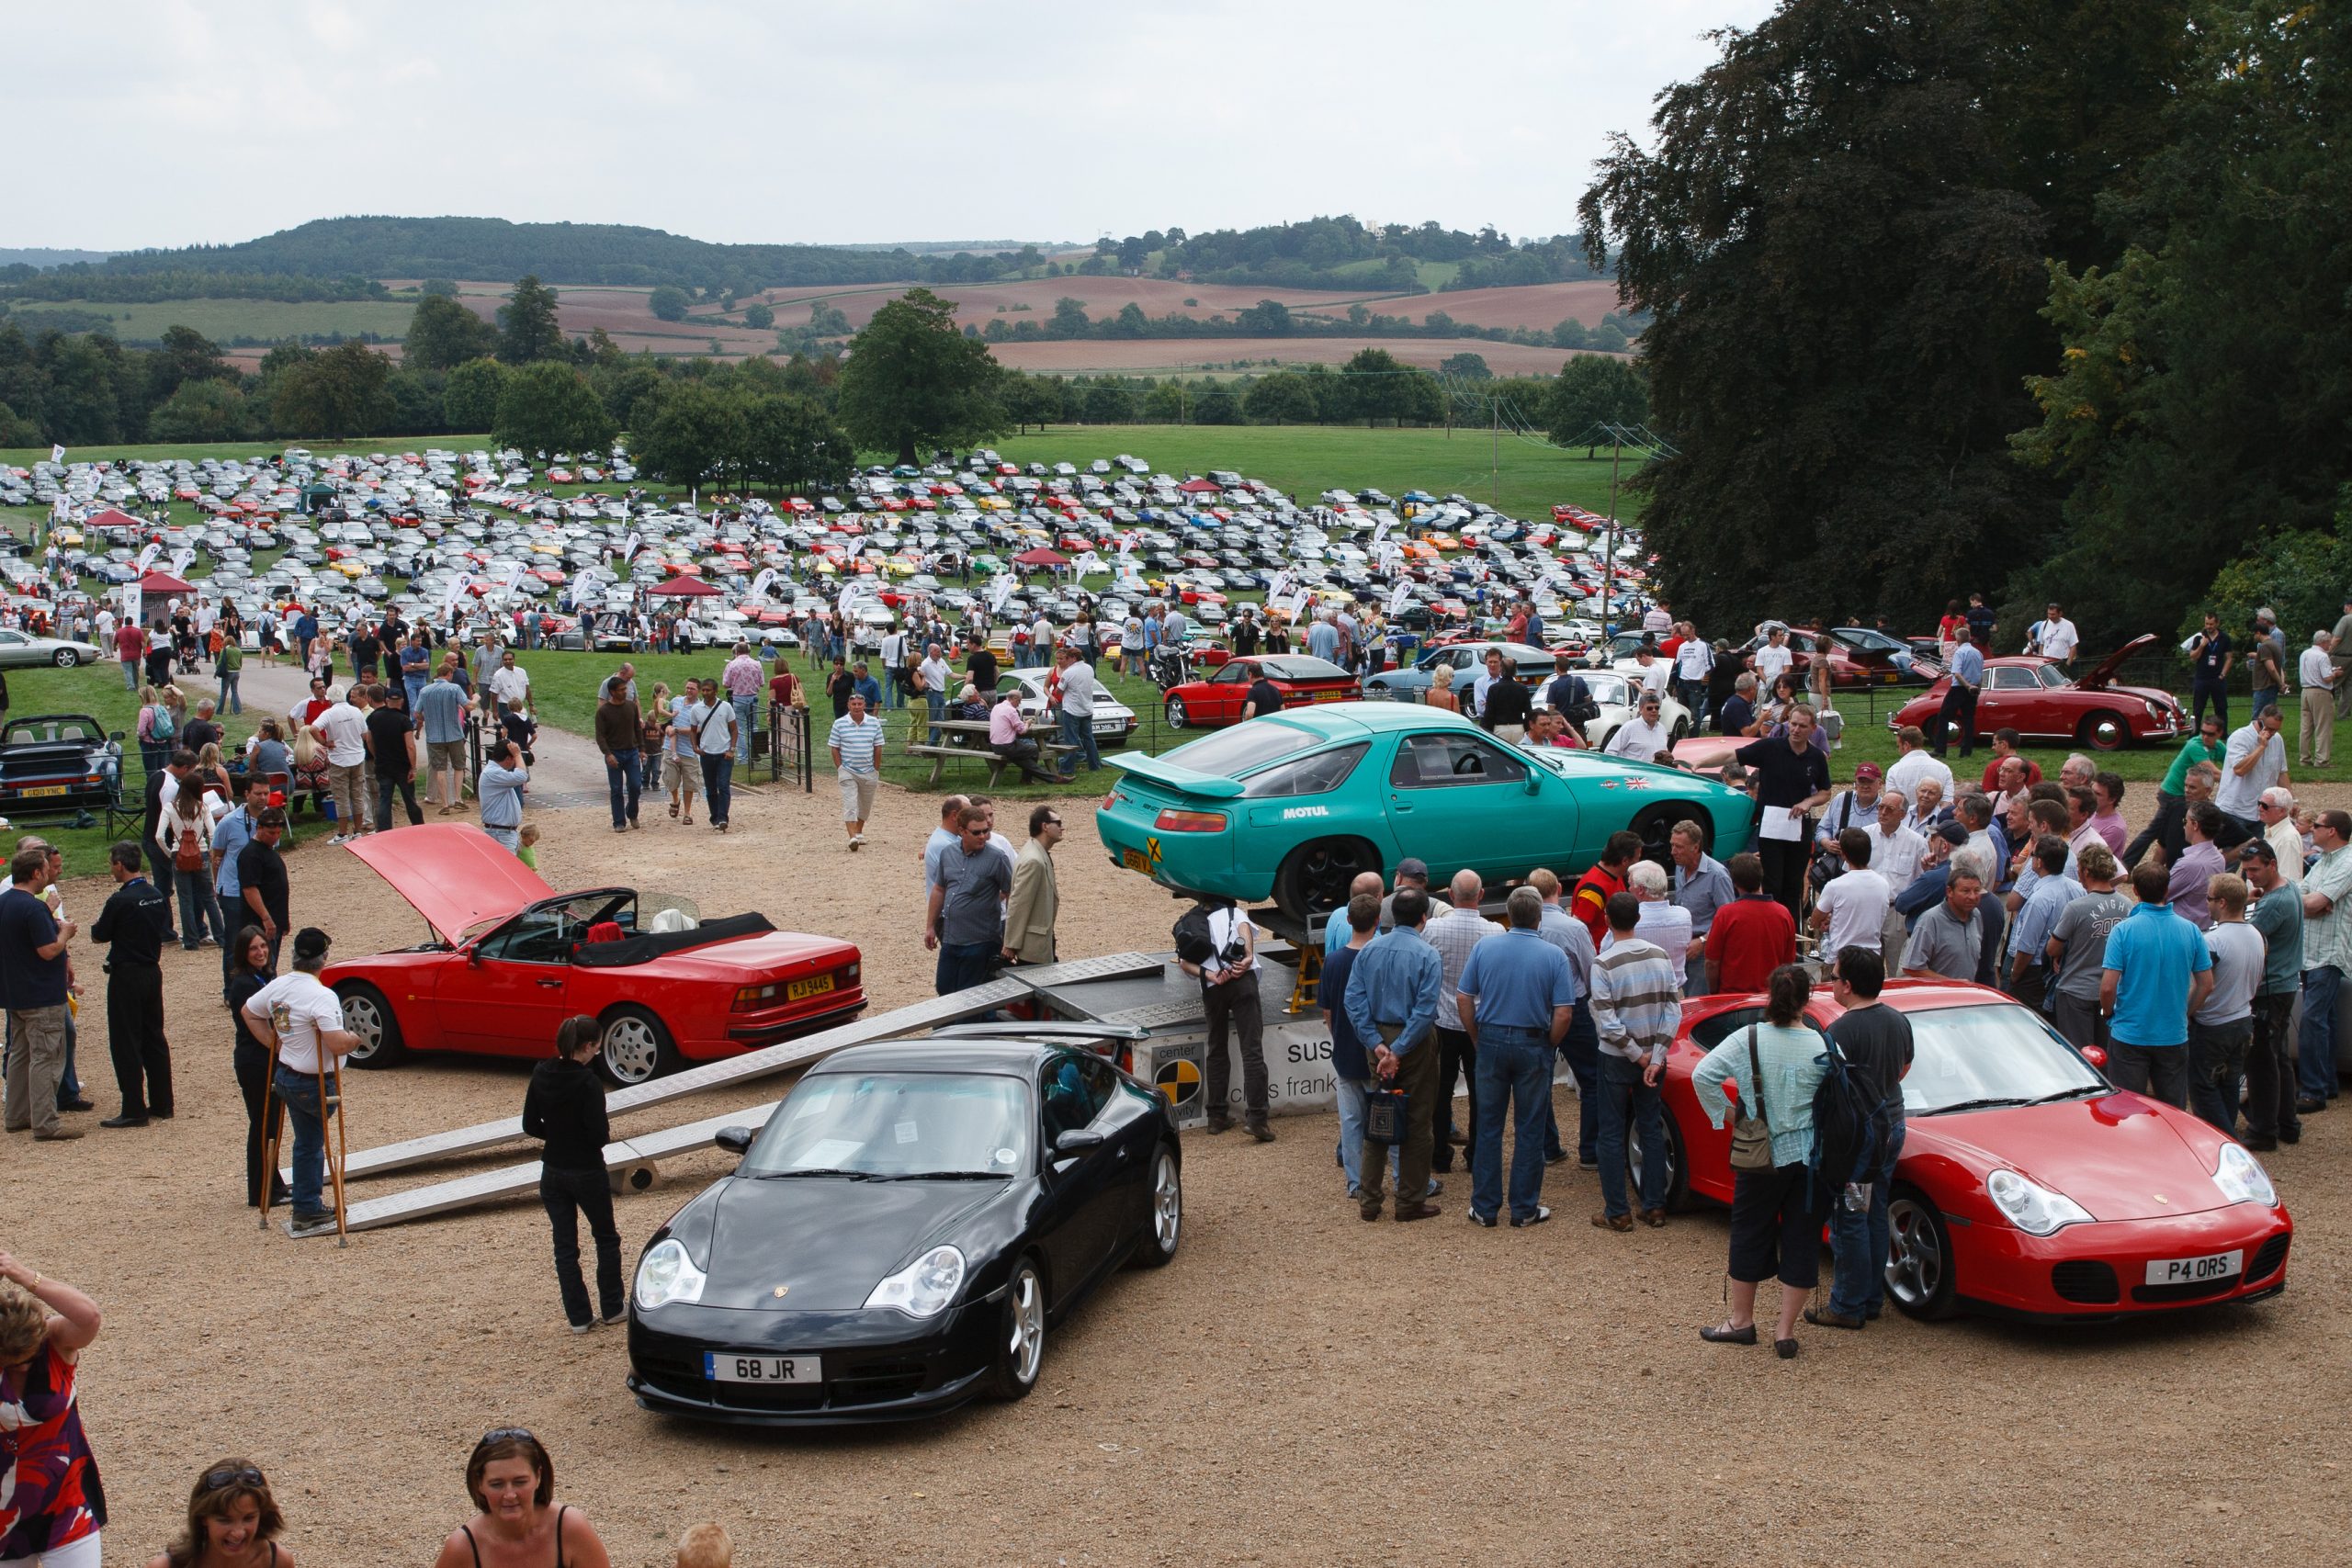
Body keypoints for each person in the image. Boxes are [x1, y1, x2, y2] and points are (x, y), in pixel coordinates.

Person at [1694, 964, 1828, 1357]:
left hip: (1759, 1154)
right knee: (1803, 1237)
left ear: (1770, 997)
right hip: (1809, 1156)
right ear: (1807, 1001)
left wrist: (1730, 1116)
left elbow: (1704, 1075)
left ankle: (1741, 1321)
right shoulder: (1821, 1046)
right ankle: (1784, 1332)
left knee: (1750, 1229)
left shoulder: (1747, 1038)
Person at [1454, 887, 1575, 1229]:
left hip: (1491, 1039)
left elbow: (1464, 997)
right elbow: (1563, 1013)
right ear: (1539, 917)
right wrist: (1547, 1044)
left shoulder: (1485, 947)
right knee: (1530, 1127)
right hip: (1532, 1042)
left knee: (1489, 1126)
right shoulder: (1553, 955)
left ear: (1509, 914)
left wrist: (1477, 1036)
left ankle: (1485, 1207)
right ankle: (1523, 1208)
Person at [1808, 946, 1913, 1331]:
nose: (1831, 983)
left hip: (1858, 1137)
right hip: (1893, 1123)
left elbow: (1828, 1084)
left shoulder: (1840, 1030)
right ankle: (1870, 1298)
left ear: (1848, 985)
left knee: (1850, 1215)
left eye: (1833, 977)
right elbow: (1904, 1067)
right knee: (1875, 1208)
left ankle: (1848, 1303)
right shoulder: (1898, 1020)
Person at [243, 927, 356, 1236]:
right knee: (311, 1144)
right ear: (324, 959)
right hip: (313, 1081)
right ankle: (307, 1207)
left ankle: (306, 1204)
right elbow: (335, 1043)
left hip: (286, 1076)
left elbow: (249, 1012)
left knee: (305, 1141)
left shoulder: (279, 986)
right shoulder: (321, 995)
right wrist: (353, 1038)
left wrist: (274, 1043)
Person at [1345, 886, 1445, 1222]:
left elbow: (1353, 1001)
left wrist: (1377, 1044)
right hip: (1412, 1042)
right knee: (1418, 1122)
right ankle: (1410, 1200)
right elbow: (1426, 1010)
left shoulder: (1369, 951)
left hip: (1378, 1039)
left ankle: (1369, 1201)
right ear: (1423, 918)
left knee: (1379, 1120)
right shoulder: (1427, 954)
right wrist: (1399, 1050)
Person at [0, 1253, 107, 1563]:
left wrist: (23, 1275)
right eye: (10, 1364)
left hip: (66, 1503)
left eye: (27, 1362)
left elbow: (89, 1317)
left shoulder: (56, 1341)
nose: (21, 1370)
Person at [525, 1016, 626, 1334]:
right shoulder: (588, 1082)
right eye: (597, 1047)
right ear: (587, 1046)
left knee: (565, 1246)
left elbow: (530, 1124)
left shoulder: (541, 1072)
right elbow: (599, 1135)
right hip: (586, 1169)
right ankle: (612, 1307)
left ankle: (579, 1317)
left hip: (552, 1168)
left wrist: (556, 1134)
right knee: (605, 1238)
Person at [1588, 890, 1680, 1232]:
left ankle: (1618, 1210)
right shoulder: (1660, 956)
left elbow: (1606, 1019)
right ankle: (1654, 1206)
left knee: (1611, 1132)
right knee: (1651, 1126)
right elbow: (1673, 1008)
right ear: (1638, 919)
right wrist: (1655, 1056)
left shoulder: (1603, 963)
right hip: (1653, 1057)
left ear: (1608, 921)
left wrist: (1636, 1054)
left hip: (1618, 1056)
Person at [2099, 862, 2214, 1109]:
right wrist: (2185, 1012)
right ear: (2167, 890)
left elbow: (2108, 987)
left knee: (2126, 1108)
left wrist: (2109, 1013)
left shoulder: (2123, 931)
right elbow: (2206, 984)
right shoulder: (2191, 931)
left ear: (2137, 892)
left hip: (2130, 1033)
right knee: (2173, 1110)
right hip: (2172, 1034)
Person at [431, 1429, 612, 1568]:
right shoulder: (463, 1547)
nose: (510, 1495)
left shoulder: (569, 1528)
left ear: (538, 1477)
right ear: (480, 1484)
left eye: (520, 1482)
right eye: (496, 1484)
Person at [91, 840, 173, 1128]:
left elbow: (100, 935)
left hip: (127, 974)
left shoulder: (120, 900)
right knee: (154, 1037)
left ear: (119, 864)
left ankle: (134, 1107)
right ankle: (163, 1102)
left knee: (126, 1041)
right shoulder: (155, 894)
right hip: (152, 970)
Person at [2, 846, 81, 1142]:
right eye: (47, 869)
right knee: (45, 1057)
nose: (50, 873)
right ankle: (46, 1123)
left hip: (15, 994)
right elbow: (48, 951)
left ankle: (16, 1115)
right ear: (36, 873)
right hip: (41, 996)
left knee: (19, 1056)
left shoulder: (4, 902)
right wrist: (65, 933)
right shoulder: (33, 907)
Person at [1179, 897, 1272, 1141]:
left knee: (1216, 1049)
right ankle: (1257, 1119)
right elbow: (1245, 933)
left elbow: (1184, 962)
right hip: (1243, 983)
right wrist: (1248, 957)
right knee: (1252, 1050)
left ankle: (1216, 1116)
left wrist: (1209, 974)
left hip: (1212, 986)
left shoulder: (1190, 921)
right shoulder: (1234, 913)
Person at [1736, 705, 1832, 919]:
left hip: (1798, 827)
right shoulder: (1771, 747)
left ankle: (1792, 938)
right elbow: (1733, 755)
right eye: (1793, 724)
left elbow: (1826, 792)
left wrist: (1809, 801)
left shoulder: (1816, 757)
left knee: (1794, 885)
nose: (1796, 730)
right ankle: (1771, 928)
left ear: (1813, 728)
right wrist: (1700, 762)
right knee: (1772, 884)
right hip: (1771, 825)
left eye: (1802, 726)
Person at [2239, 839, 2305, 1149]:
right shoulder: (2288, 888)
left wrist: (2237, 905)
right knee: (2277, 1057)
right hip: (2284, 984)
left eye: (2254, 870)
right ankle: (2287, 1123)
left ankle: (2264, 1130)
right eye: (2247, 870)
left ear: (2272, 865)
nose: (2250, 875)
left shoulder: (2274, 903)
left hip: (2270, 989)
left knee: (2261, 1062)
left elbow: (2244, 935)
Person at [2188, 874, 2263, 1134]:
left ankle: (2225, 1140)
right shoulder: (2256, 935)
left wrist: (2186, 1012)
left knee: (2202, 1087)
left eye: (2208, 898)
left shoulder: (2214, 941)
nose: (2206, 904)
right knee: (2229, 1085)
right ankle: (2227, 1138)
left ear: (2221, 902)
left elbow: (2202, 984)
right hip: (2242, 1020)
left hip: (2213, 1025)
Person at [224, 926, 285, 1210]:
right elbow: (259, 1026)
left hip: (266, 1056)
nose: (260, 952)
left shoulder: (266, 976)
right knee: (263, 1125)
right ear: (243, 953)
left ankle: (273, 1182)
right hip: (256, 1060)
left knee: (271, 1124)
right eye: (253, 949)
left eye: (263, 946)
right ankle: (260, 1189)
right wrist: (283, 1049)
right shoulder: (244, 984)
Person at [2298, 807, 2352, 1111]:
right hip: (2311, 951)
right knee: (2325, 1019)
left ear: (2332, 831)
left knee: (2313, 1020)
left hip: (2329, 953)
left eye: (2316, 826)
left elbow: (2318, 900)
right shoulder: (2325, 861)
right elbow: (2303, 894)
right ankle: (2327, 1083)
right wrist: (2310, 903)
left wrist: (2313, 902)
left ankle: (2313, 1091)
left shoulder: (2348, 862)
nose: (2310, 830)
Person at [926, 805, 1012, 998]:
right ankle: (949, 1026)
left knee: (969, 994)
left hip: (981, 940)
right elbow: (939, 889)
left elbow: (1010, 891)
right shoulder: (948, 853)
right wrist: (930, 926)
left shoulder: (997, 858)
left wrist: (985, 903)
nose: (983, 836)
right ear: (962, 831)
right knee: (944, 988)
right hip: (950, 938)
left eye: (985, 831)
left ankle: (965, 1027)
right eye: (976, 832)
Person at [150, 1458, 295, 1568]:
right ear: (203, 1518)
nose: (238, 1533)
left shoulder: (278, 1562)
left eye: (248, 1518)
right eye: (225, 1520)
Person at [1703, 852, 1796, 995]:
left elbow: (1712, 962)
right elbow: (1788, 964)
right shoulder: (1783, 914)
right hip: (1770, 998)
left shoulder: (1726, 914)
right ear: (1761, 877)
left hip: (1732, 1001)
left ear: (1734, 882)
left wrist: (1714, 992)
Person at [157, 782, 226, 951]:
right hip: (200, 853)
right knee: (209, 897)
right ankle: (221, 937)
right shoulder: (202, 807)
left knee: (185, 899)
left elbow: (159, 836)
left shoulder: (170, 807)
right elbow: (213, 832)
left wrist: (170, 853)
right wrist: (210, 851)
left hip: (178, 854)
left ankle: (190, 940)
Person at [1668, 821, 1734, 995]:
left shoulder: (1717, 875)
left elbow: (1728, 917)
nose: (1673, 851)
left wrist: (1703, 941)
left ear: (1695, 847)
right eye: (1672, 845)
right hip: (1683, 946)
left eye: (1679, 847)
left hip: (1704, 950)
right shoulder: (1680, 867)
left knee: (1700, 1003)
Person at [1812, 826, 1891, 960]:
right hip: (1871, 957)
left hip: (1841, 958)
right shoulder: (1883, 884)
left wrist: (1826, 920)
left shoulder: (1835, 886)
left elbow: (1815, 920)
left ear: (1843, 854)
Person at [1904, 855, 1986, 982]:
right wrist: (1952, 984)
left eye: (1976, 891)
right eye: (1965, 891)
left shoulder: (1976, 916)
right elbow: (1912, 967)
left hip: (1966, 998)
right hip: (1938, 998)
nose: (1972, 896)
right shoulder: (1930, 920)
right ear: (1949, 892)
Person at [1002, 805, 1062, 965]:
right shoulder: (1034, 860)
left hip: (1038, 942)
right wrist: (1010, 944)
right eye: (1058, 823)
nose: (1062, 828)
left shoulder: (1034, 850)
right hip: (1032, 949)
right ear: (1045, 826)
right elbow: (1019, 903)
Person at [829, 691, 885, 850]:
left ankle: (859, 830)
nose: (857, 707)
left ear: (864, 705)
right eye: (853, 704)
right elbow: (834, 748)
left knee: (865, 805)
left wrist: (876, 769)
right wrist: (840, 767)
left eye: (859, 704)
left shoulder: (874, 723)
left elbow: (878, 747)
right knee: (850, 803)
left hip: (868, 770)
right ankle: (852, 837)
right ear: (848, 706)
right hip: (848, 770)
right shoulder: (839, 723)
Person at [413, 661, 470, 817]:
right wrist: (476, 698)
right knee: (459, 766)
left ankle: (444, 803)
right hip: (454, 734)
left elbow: (417, 714)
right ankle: (458, 798)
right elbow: (468, 706)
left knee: (440, 769)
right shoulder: (454, 688)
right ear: (449, 674)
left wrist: (427, 718)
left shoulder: (425, 691)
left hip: (434, 736)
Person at [235, 809, 289, 970]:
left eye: (279, 832)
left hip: (274, 919)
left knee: (271, 965)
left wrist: (283, 920)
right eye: (271, 832)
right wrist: (266, 918)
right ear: (259, 828)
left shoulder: (267, 850)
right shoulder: (251, 854)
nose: (276, 837)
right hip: (260, 923)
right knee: (264, 966)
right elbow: (250, 889)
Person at [366, 683, 424, 831]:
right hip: (402, 766)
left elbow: (369, 740)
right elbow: (410, 746)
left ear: (387, 700)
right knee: (409, 799)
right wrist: (413, 767)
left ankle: (384, 830)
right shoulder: (403, 720)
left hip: (383, 765)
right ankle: (418, 827)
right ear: (402, 701)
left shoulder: (373, 717)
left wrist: (376, 755)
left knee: (385, 799)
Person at [1570, 831, 1639, 943]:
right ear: (1625, 861)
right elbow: (1576, 928)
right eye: (1636, 859)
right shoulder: (1594, 890)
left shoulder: (1616, 874)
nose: (1638, 862)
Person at [2167, 802, 2228, 929]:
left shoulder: (2189, 864)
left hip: (2182, 931)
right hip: (2202, 927)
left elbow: (2158, 895)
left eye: (2185, 821)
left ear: (2195, 825)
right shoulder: (2218, 857)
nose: (2184, 826)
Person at [593, 679, 641, 834]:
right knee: (616, 788)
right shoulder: (603, 711)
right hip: (614, 753)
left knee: (635, 785)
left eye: (625, 689)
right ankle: (619, 821)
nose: (625, 692)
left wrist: (642, 749)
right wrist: (608, 754)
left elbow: (637, 729)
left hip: (632, 751)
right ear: (612, 692)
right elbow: (600, 736)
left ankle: (632, 812)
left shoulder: (631, 707)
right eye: (621, 689)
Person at [1933, 626, 1984, 758]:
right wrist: (1977, 688)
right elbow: (1980, 673)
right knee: (1968, 720)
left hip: (1960, 688)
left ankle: (1940, 749)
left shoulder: (1960, 652)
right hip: (1974, 688)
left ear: (1958, 639)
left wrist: (1967, 686)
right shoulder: (1977, 652)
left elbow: (1956, 673)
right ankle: (1966, 751)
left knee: (1944, 716)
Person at [1055, 644, 1103, 776]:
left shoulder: (1068, 672)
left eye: (1067, 658)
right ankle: (1095, 765)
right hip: (1087, 708)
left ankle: (1067, 769)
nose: (1066, 661)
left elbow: (1059, 691)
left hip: (1072, 710)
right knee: (1089, 739)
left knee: (1070, 740)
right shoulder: (1089, 668)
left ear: (1073, 658)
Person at [477, 739, 530, 854]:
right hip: (500, 833)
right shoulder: (493, 773)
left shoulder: (495, 772)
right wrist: (517, 754)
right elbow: (521, 776)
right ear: (508, 759)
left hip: (503, 832)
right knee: (507, 869)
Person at [2187, 611, 2234, 730]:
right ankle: (2194, 733)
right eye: (2207, 624)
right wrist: (2202, 646)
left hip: (2217, 678)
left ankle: (2222, 734)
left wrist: (2223, 674)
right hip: (2202, 678)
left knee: (2221, 708)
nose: (2209, 627)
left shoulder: (2224, 638)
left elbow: (2229, 658)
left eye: (2211, 624)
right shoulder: (2199, 637)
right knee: (2197, 708)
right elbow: (2193, 657)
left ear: (2217, 623)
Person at [2298, 631, 2336, 767]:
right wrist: (2335, 673)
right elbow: (2326, 677)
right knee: (2323, 726)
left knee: (2305, 727)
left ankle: (2304, 759)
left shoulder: (2305, 653)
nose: (2330, 644)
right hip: (2320, 693)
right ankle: (2322, 760)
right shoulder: (2323, 656)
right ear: (2323, 642)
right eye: (2329, 642)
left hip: (2305, 691)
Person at [722, 642, 763, 763]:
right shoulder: (756, 664)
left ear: (736, 652)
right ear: (749, 651)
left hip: (738, 698)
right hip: (753, 697)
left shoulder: (732, 664)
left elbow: (725, 684)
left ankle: (743, 757)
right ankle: (755, 752)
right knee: (754, 726)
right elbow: (761, 682)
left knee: (739, 728)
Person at [1604, 691, 1673, 761]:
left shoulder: (1662, 730)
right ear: (1640, 709)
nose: (1654, 710)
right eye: (1649, 708)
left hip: (1656, 772)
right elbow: (1610, 752)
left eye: (1657, 708)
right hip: (1634, 772)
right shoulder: (1629, 727)